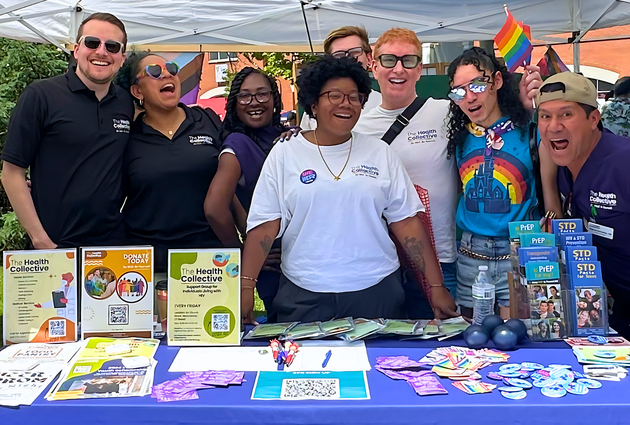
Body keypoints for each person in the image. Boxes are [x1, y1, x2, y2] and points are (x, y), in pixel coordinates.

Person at [240, 56, 457, 323]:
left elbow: (407, 223)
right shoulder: (285, 154)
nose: (347, 103)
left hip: (377, 292)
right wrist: (246, 286)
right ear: (313, 104)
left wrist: (436, 286)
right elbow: (264, 226)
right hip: (304, 294)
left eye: (355, 97)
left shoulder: (380, 153)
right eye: (335, 95)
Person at [445, 47, 560, 319]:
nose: (469, 97)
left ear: (496, 81)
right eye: (459, 91)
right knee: (473, 344)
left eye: (476, 85)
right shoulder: (459, 139)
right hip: (470, 256)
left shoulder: (531, 134)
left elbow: (553, 206)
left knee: (519, 340)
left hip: (521, 251)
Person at [353, 28, 460, 319]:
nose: (398, 69)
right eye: (389, 60)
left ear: (420, 69)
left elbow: (495, 126)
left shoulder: (447, 112)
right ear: (374, 66)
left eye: (408, 61)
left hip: (440, 262)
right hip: (381, 265)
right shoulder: (355, 126)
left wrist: (527, 104)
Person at [1, 13, 132, 248]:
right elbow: (11, 173)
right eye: (92, 43)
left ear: (122, 57)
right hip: (54, 245)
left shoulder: (126, 103)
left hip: (112, 245)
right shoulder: (41, 96)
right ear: (76, 49)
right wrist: (40, 239)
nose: (102, 52)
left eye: (112, 46)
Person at [536, 71, 630, 338]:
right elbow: (559, 222)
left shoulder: (623, 163)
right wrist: (547, 172)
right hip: (614, 312)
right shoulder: (564, 165)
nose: (554, 126)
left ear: (593, 119)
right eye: (545, 116)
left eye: (566, 114)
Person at [115, 51, 223, 274]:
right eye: (154, 72)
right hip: (148, 264)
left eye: (172, 69)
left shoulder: (207, 120)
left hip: (209, 261)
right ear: (137, 91)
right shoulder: (126, 138)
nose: (167, 75)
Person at [204, 67, 286, 322]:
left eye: (262, 94)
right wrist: (240, 253)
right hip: (275, 261)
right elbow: (214, 208)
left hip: (310, 255)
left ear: (274, 98)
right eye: (245, 96)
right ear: (234, 104)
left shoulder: (288, 136)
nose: (254, 103)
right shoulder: (237, 145)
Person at [299, 25, 382, 131]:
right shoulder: (317, 103)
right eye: (339, 55)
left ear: (369, 58)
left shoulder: (382, 103)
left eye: (355, 52)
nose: (348, 59)